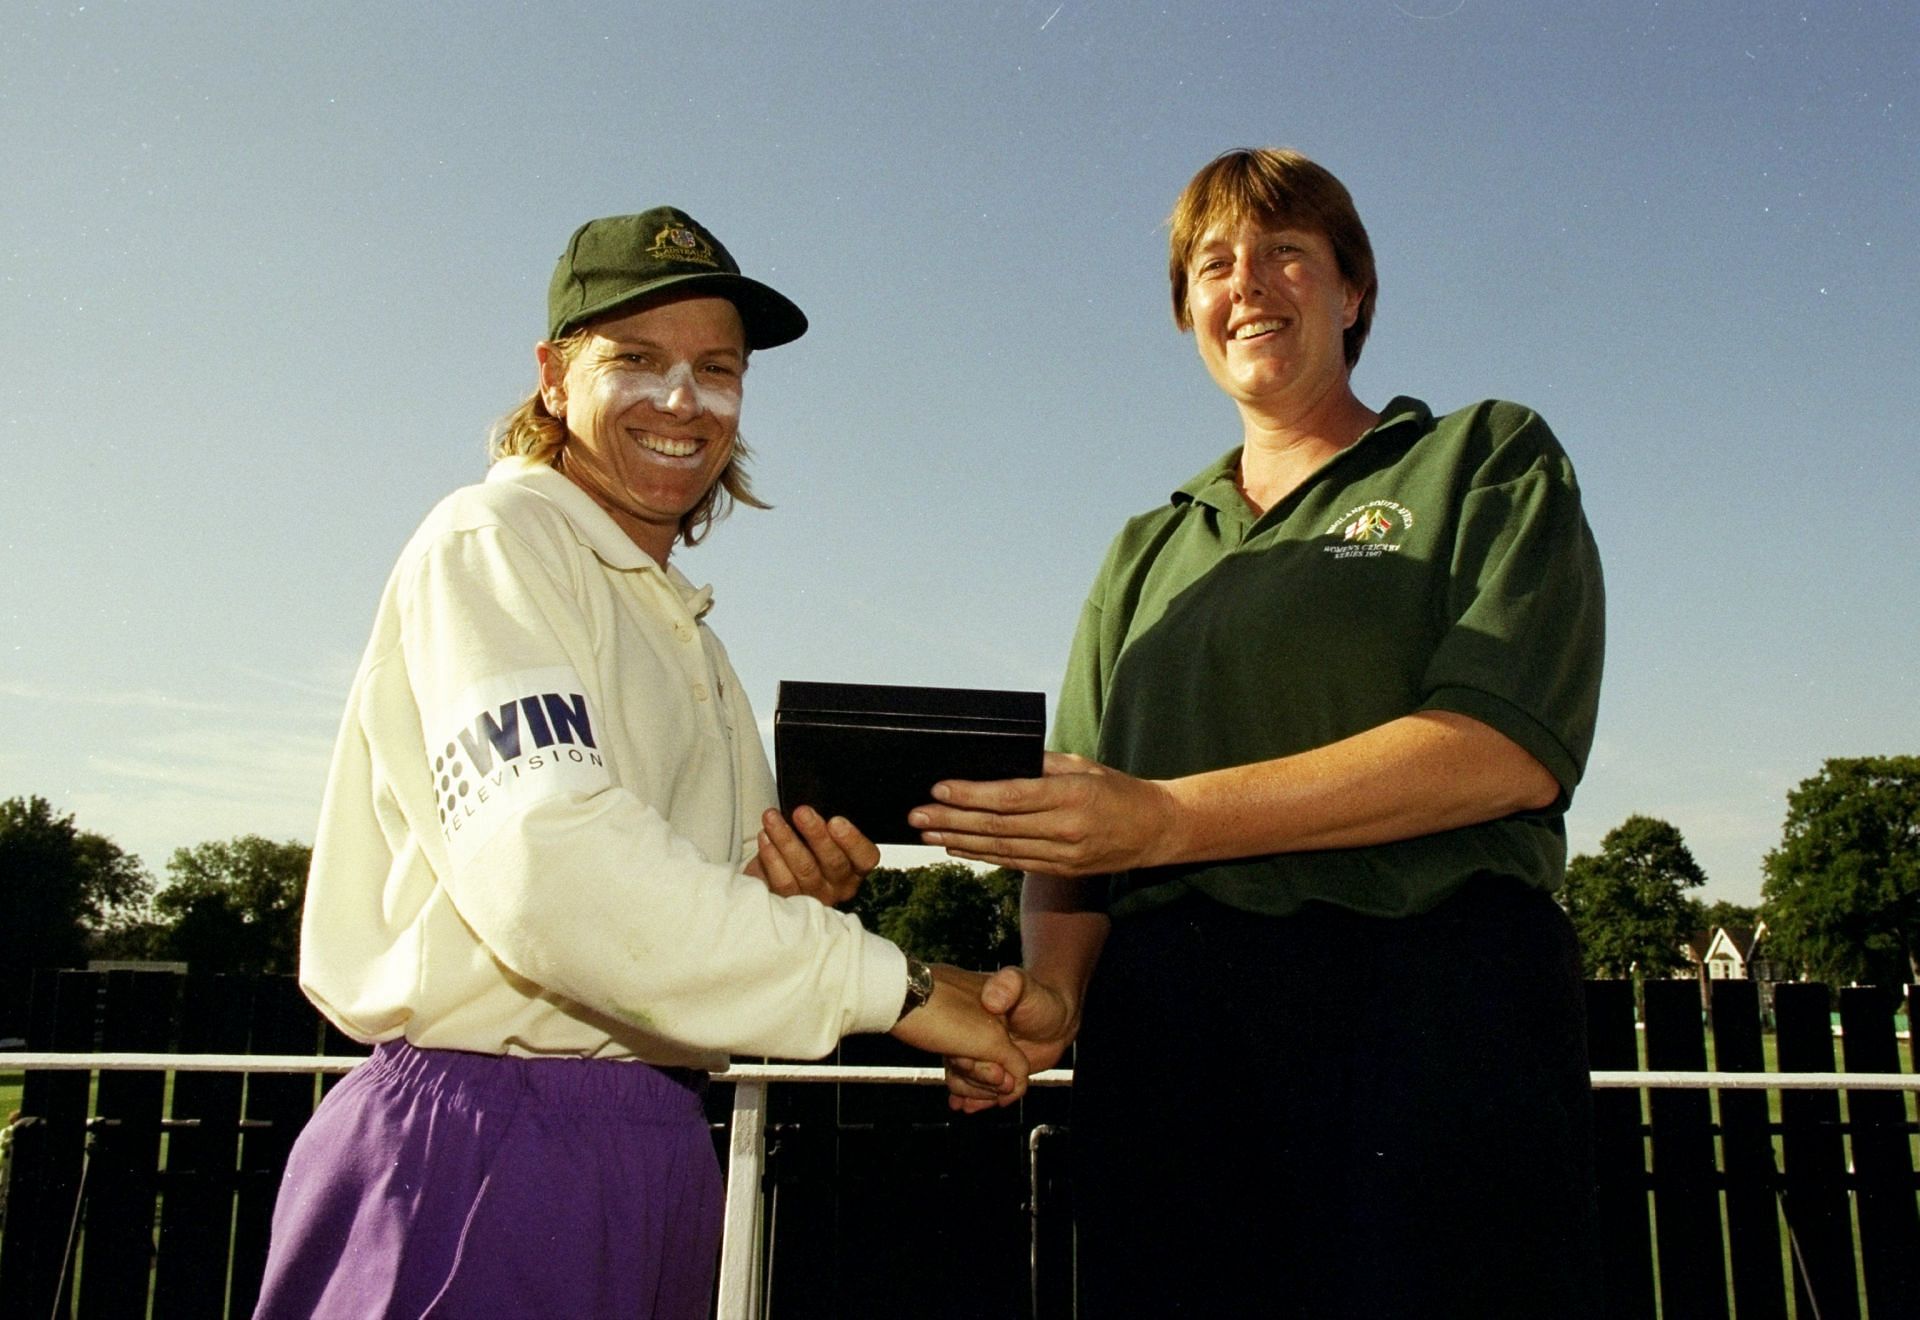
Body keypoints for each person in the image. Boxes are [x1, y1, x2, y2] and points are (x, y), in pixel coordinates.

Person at [254, 207, 1026, 1320]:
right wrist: (895, 991)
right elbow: (552, 872)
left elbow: (675, 926)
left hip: (654, 1141)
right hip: (480, 1143)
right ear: (555, 378)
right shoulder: (496, 542)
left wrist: (809, 905)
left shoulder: (690, 635)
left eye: (717, 369)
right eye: (637, 361)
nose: (683, 402)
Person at [922, 150, 1606, 1318]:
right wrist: (1052, 997)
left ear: (1353, 292)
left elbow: (1506, 745)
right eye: (1213, 262)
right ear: (1188, 311)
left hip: (1425, 1014)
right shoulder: (1148, 547)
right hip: (1172, 1049)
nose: (1249, 282)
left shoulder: (1483, 456)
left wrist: (1170, 817)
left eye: (1289, 250)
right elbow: (1074, 825)